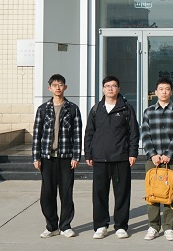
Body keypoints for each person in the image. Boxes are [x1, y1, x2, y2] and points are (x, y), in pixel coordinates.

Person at [84, 75, 139, 240]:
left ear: (118, 89)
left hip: (121, 157)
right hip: (100, 158)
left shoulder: (126, 109)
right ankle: (101, 226)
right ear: (103, 89)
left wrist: (133, 153)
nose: (110, 88)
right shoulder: (96, 109)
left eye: (113, 86)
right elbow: (89, 133)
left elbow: (133, 133)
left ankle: (121, 226)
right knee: (99, 194)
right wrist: (88, 153)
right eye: (107, 86)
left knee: (122, 194)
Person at [32, 74, 82, 239]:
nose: (58, 87)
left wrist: (76, 156)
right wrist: (36, 157)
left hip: (66, 157)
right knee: (47, 194)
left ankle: (65, 226)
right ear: (50, 88)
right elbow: (37, 134)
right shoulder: (43, 109)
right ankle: (51, 226)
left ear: (65, 87)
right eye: (55, 85)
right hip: (47, 157)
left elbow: (77, 134)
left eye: (60, 84)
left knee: (66, 193)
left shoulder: (72, 108)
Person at [140, 77, 173, 241]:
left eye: (167, 89)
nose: (164, 92)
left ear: (171, 92)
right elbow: (145, 134)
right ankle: (153, 226)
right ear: (156, 92)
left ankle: (168, 227)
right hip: (152, 160)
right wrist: (153, 154)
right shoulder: (148, 111)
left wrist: (168, 154)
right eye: (161, 89)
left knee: (169, 193)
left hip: (171, 160)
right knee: (152, 193)